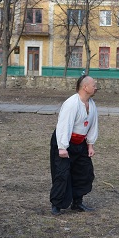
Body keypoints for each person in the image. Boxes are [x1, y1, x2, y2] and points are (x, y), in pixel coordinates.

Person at [50, 74, 99, 215]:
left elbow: (93, 125)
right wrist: (62, 147)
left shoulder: (92, 104)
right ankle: (57, 205)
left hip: (80, 143)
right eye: (93, 85)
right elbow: (63, 126)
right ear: (85, 87)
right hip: (64, 142)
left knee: (84, 172)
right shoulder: (72, 104)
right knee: (62, 174)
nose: (96, 88)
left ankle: (77, 203)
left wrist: (90, 144)